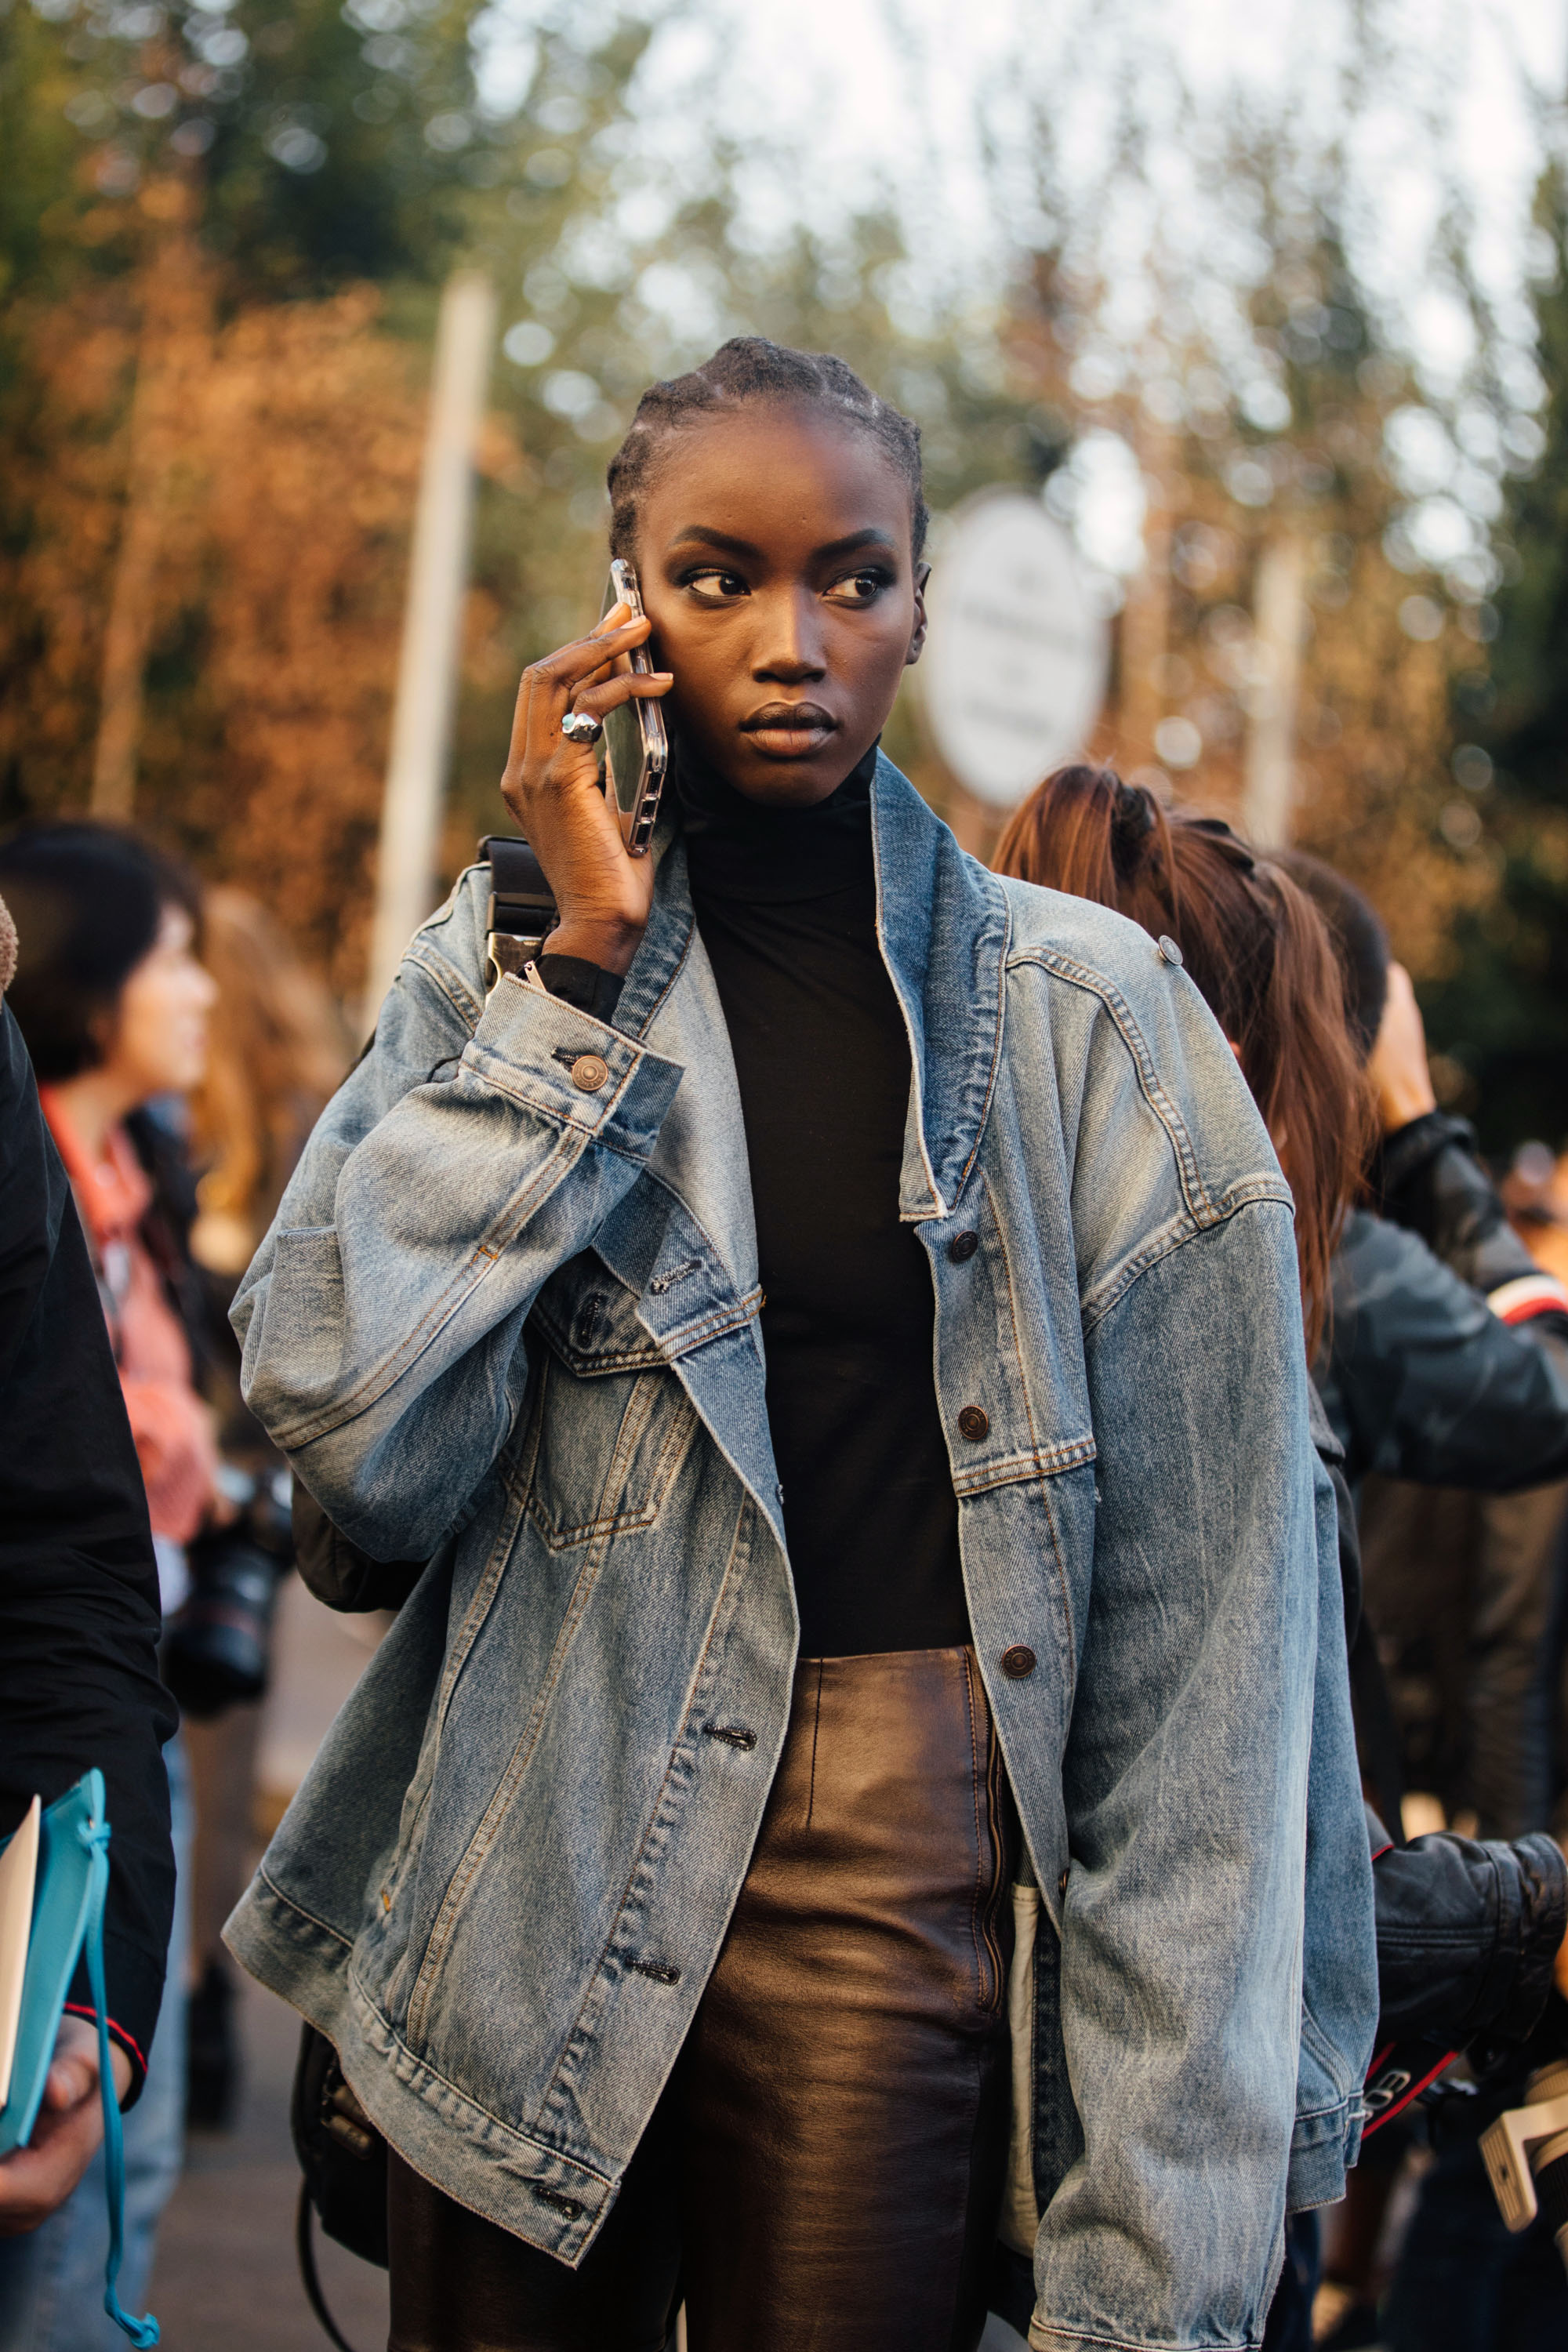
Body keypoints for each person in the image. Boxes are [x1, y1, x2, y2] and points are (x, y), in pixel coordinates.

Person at [224, 337, 1372, 2352]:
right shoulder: (497, 961)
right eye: (716, 575)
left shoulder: (1094, 1031)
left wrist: (1158, 2259)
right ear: (623, 604)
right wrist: (568, 994)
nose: (791, 638)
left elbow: (1217, 1690)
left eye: (853, 578)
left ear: (921, 604)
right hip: (542, 1835)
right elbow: (351, 1453)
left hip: (895, 1863)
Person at [991, 766, 1568, 2351]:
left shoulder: (929, 1262)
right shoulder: (1323, 1269)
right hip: (1196, 2084)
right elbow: (1543, 1387)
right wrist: (1425, 1127)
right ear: (1253, 1053)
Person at [0, 823, 219, 2349]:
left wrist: (91, 2012)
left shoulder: (119, 1187)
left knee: (97, 2224)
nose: (199, 991)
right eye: (171, 956)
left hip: (75, 1815)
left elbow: (73, 1559)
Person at [181, 887, 348, 2128]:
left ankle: (161, 2010)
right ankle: (194, 2022)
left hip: (189, 1495)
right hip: (251, 1504)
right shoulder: (307, 1116)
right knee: (217, 1766)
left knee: (156, 1765)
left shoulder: (190, 1134)